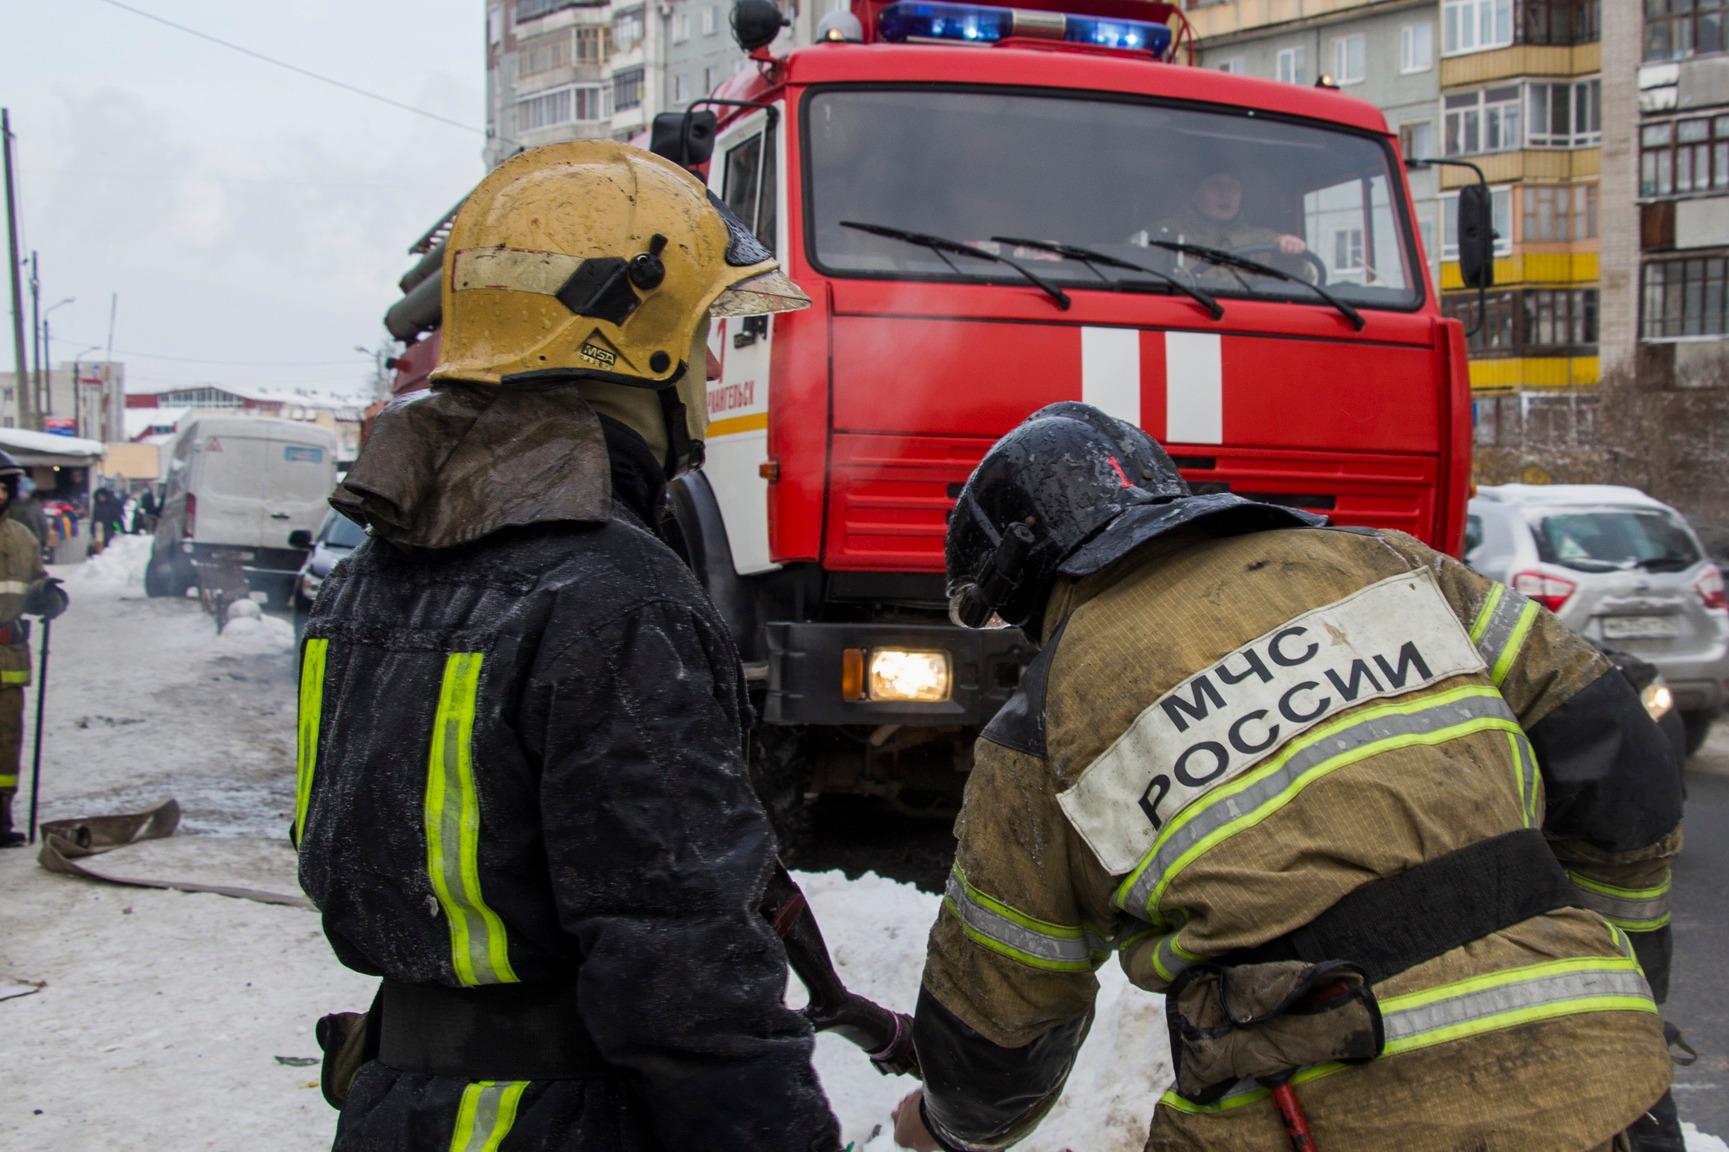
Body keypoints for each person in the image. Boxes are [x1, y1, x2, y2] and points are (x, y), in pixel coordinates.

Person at [891, 402, 1682, 1152]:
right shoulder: (1385, 563)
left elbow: (999, 1016)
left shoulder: (1041, 727)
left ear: (1021, 576)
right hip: (1604, 1073)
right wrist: (1618, 963)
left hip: (1325, 1112)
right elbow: (1618, 756)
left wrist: (952, 1125)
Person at [294, 141, 839, 1152]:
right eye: (707, 333)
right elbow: (685, 973)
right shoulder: (614, 595)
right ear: (646, 344)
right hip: (559, 1121)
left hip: (398, 1109)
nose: (716, 369)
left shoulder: (375, 572)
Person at [0, 450, 68, 847]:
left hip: (8, 659)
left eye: (3, 487)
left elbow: (32, 583)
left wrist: (47, 596)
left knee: (6, 743)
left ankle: (1, 818)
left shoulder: (22, 539)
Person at [1149, 167, 1307, 257]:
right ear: (1195, 194)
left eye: (1234, 187)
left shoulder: (1265, 240)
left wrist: (1291, 254)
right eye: (1215, 185)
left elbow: (1301, 282)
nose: (1226, 194)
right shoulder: (1161, 234)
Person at [6, 474, 50, 555]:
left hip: (18, 546)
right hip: (31, 545)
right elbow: (43, 525)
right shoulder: (35, 505)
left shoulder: (10, 505)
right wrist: (43, 541)